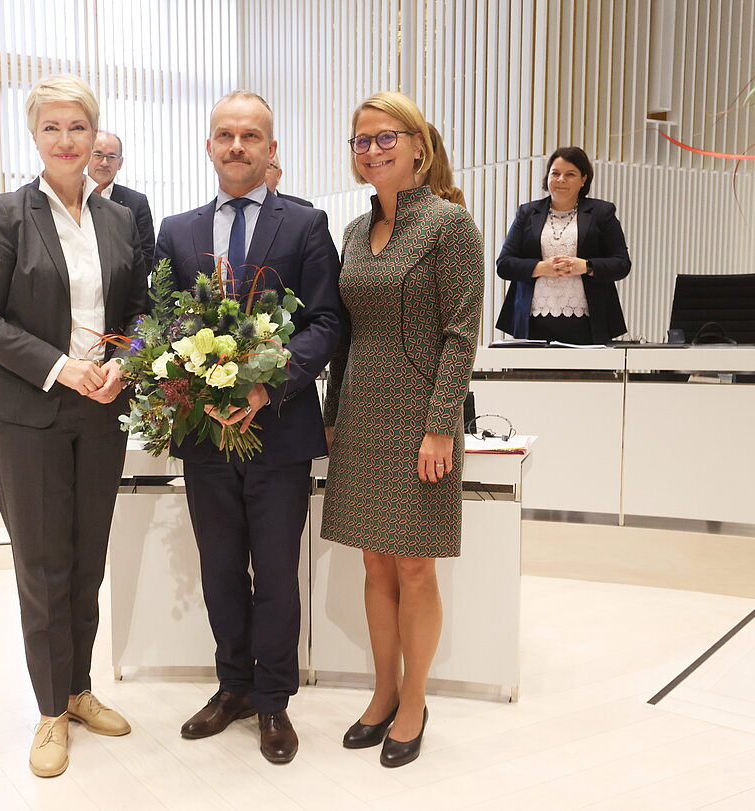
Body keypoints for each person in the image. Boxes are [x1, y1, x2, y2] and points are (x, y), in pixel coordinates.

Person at [0, 74, 148, 779]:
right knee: (43, 566)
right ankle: (48, 711)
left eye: (78, 128)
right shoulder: (7, 213)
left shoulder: (119, 219)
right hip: (29, 411)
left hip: (103, 409)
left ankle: (78, 689)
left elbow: (134, 314)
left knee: (88, 557)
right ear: (34, 136)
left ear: (94, 135)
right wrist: (61, 368)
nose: (66, 141)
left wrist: (122, 365)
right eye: (52, 129)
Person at [154, 90, 343, 764]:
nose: (238, 146)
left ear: (270, 150)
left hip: (281, 431)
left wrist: (269, 382)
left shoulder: (305, 224)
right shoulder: (176, 230)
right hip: (205, 431)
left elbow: (326, 321)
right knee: (219, 570)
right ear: (209, 147)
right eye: (225, 135)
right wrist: (189, 375)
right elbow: (164, 319)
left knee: (277, 573)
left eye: (251, 136)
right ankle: (232, 686)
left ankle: (273, 701)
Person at [322, 92, 484, 768]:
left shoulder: (450, 225)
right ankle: (382, 692)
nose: (373, 149)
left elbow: (461, 334)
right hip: (361, 412)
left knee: (415, 564)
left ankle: (414, 699)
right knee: (373, 560)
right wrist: (331, 415)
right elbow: (345, 333)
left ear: (419, 145)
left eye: (386, 137)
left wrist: (441, 426)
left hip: (422, 417)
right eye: (361, 141)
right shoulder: (356, 233)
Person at [495, 146, 631, 344]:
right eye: (555, 173)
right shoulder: (526, 213)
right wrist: (542, 268)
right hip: (532, 319)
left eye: (570, 174)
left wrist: (585, 266)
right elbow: (504, 264)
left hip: (587, 321)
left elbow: (621, 263)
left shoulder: (602, 213)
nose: (561, 180)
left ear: (584, 179)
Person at [87, 131, 155, 269]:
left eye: (111, 156)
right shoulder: (71, 198)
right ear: (87, 157)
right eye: (98, 155)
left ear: (120, 163)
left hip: (124, 288)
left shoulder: (137, 202)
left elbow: (146, 256)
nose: (104, 162)